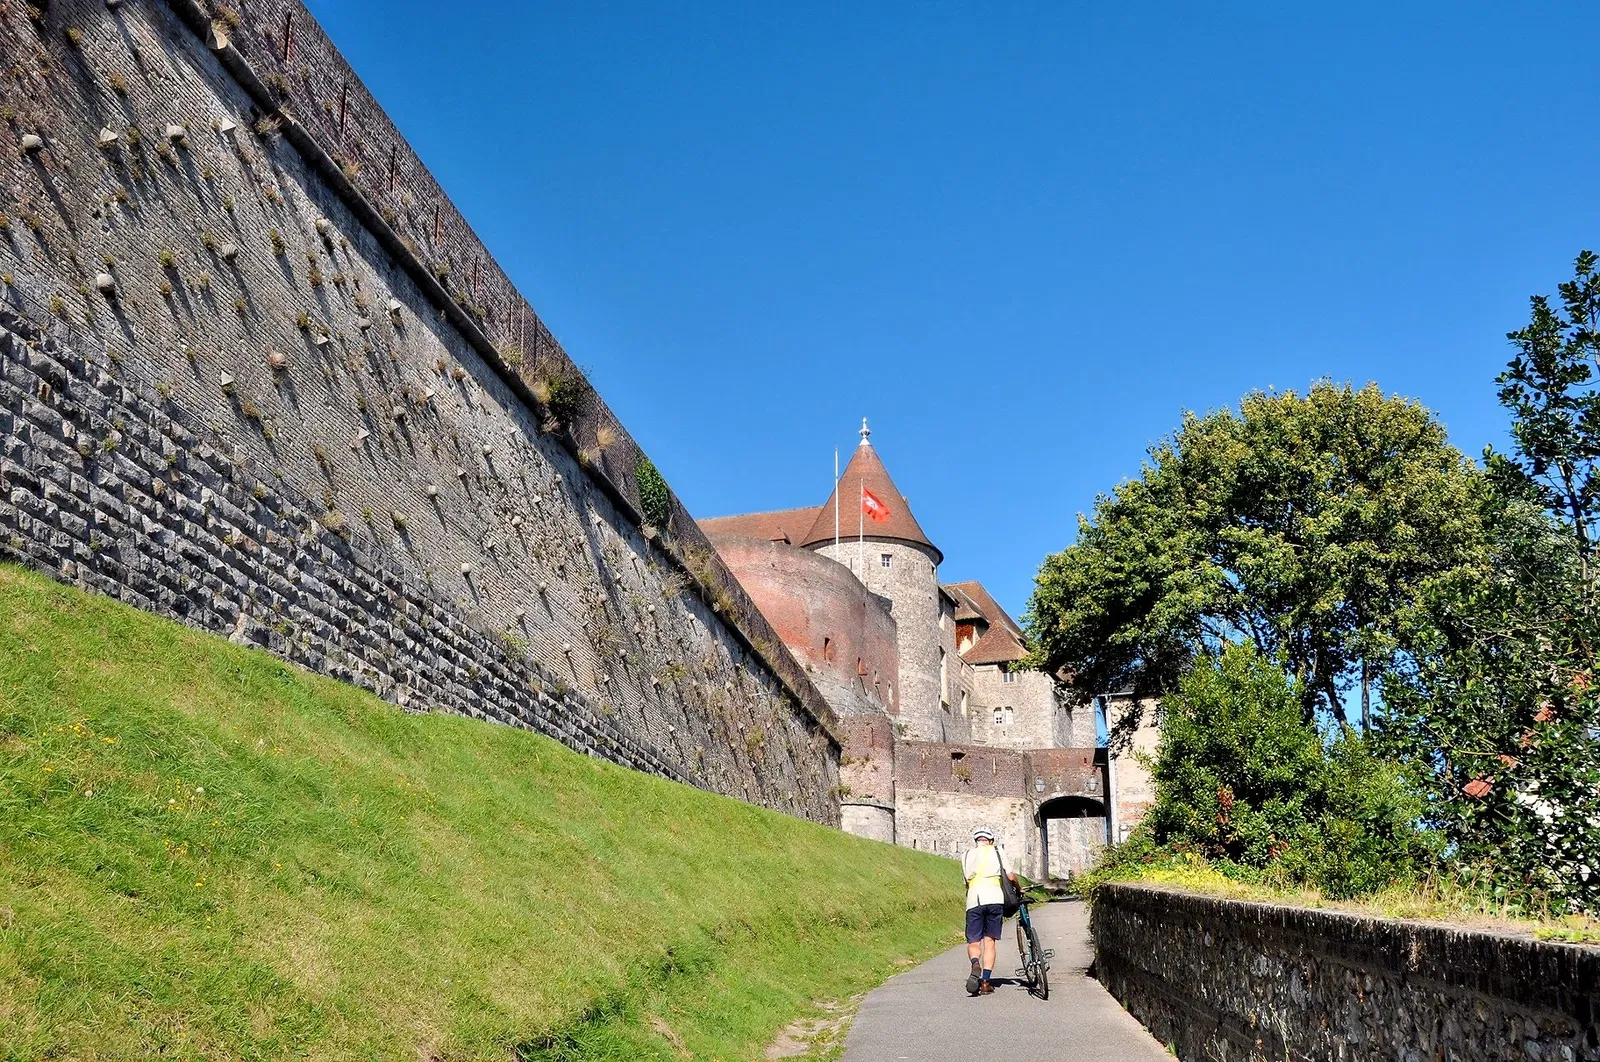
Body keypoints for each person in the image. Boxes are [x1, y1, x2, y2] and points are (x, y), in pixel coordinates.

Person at [961, 826, 1015, 995]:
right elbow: (1011, 876)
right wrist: (1018, 888)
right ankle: (985, 981)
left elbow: (966, 882)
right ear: (991, 841)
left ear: (976, 841)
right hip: (994, 899)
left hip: (974, 899)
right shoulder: (997, 851)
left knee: (974, 941)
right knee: (989, 941)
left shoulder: (966, 855)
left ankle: (975, 963)